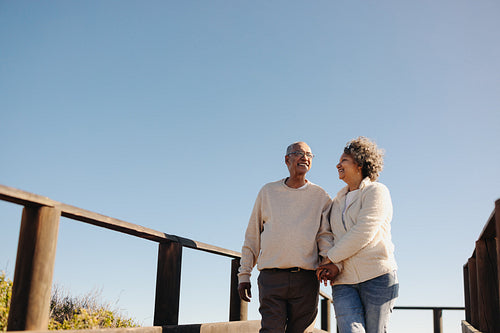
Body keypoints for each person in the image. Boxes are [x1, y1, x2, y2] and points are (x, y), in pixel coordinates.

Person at [238, 141, 332, 333]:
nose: (304, 157)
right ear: (286, 160)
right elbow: (252, 236)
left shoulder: (320, 196)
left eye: (309, 154)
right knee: (271, 330)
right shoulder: (268, 192)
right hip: (272, 279)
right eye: (298, 153)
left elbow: (325, 237)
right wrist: (244, 274)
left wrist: (327, 261)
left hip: (306, 279)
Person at [317, 137, 399, 333]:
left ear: (359, 164)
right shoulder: (336, 202)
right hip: (344, 281)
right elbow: (327, 234)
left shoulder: (377, 191)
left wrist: (330, 258)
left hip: (377, 277)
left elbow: (364, 231)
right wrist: (334, 265)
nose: (338, 164)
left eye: (344, 160)